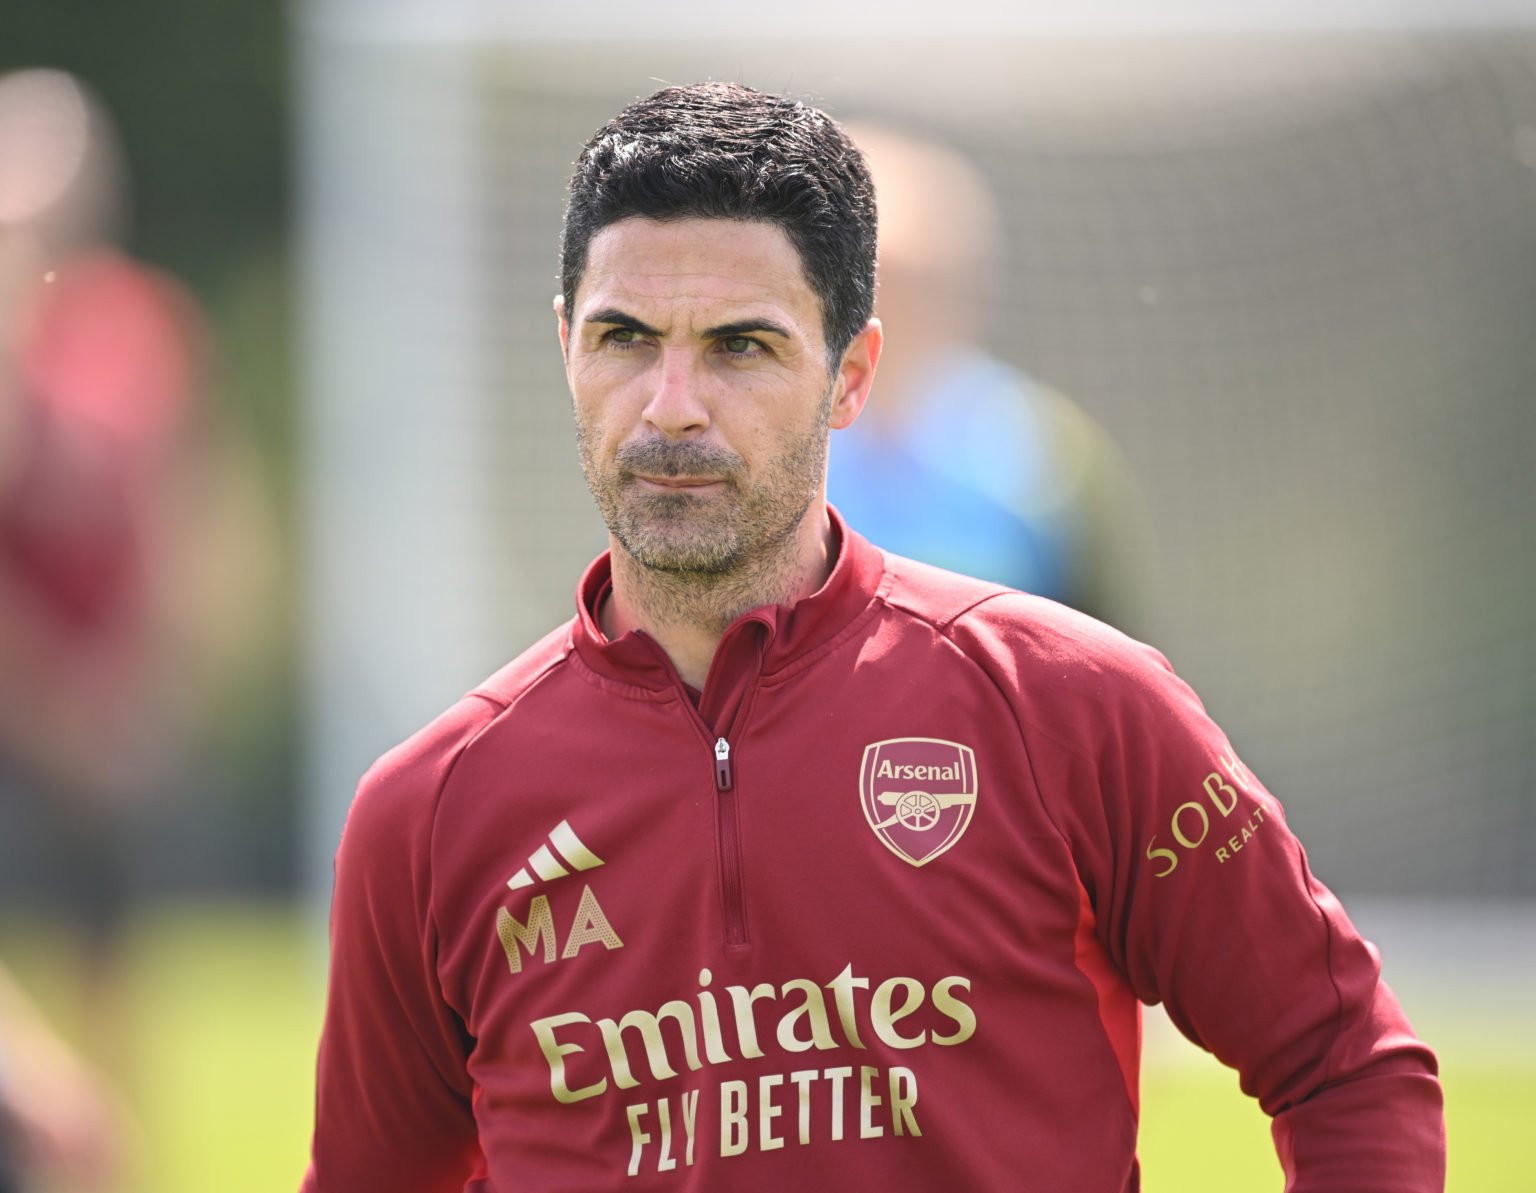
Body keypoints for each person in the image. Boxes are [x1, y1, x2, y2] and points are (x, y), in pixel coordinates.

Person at [302, 82, 1444, 1192]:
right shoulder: (431, 813)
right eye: (625, 337)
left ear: (852, 373)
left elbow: (1346, 1064)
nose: (670, 404)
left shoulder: (1076, 707)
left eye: (741, 345)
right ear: (565, 347)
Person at [827, 124, 1152, 632]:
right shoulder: (768, 441)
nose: (891, 313)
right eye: (874, 286)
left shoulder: (1045, 453)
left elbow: (1105, 651)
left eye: (917, 285)